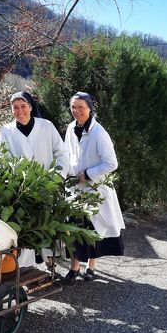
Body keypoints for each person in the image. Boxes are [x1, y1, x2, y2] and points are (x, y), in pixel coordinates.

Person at [0, 91, 68, 268]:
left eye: (23, 106)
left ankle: (51, 262)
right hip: (22, 189)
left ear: (30, 107)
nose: (20, 111)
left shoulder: (46, 126)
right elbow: (3, 159)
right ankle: (26, 267)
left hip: (47, 185)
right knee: (26, 226)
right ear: (11, 110)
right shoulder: (6, 131)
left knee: (47, 223)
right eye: (15, 107)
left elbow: (61, 153)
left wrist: (56, 177)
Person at [63, 92, 125, 284]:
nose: (76, 111)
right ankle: (74, 268)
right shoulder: (71, 128)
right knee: (74, 229)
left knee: (94, 230)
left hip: (95, 190)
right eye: (73, 107)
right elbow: (67, 154)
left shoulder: (99, 133)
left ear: (90, 108)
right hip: (75, 189)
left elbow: (111, 163)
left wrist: (87, 174)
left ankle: (91, 267)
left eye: (80, 107)